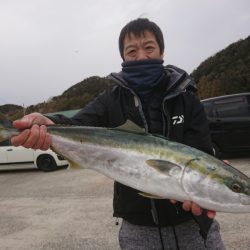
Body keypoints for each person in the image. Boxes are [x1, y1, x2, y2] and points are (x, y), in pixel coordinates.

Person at [11, 18, 225, 249]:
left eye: (149, 47)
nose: (141, 56)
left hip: (193, 224)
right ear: (123, 57)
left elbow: (201, 149)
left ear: (162, 52)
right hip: (138, 228)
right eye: (132, 51)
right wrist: (49, 123)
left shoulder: (187, 98)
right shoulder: (111, 99)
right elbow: (79, 124)